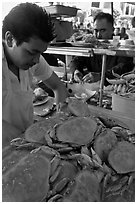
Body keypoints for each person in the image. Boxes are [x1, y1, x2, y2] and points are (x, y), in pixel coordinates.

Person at [2, 2, 68, 147]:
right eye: (32, 52)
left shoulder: (34, 59)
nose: (37, 60)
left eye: (40, 53)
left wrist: (59, 120)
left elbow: (58, 87)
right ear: (9, 39)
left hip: (28, 144)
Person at [69, 12, 134, 84]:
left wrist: (101, 76)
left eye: (103, 30)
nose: (98, 35)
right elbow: (76, 61)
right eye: (96, 31)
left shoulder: (121, 46)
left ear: (112, 30)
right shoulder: (91, 46)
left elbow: (124, 67)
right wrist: (76, 71)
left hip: (115, 87)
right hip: (93, 88)